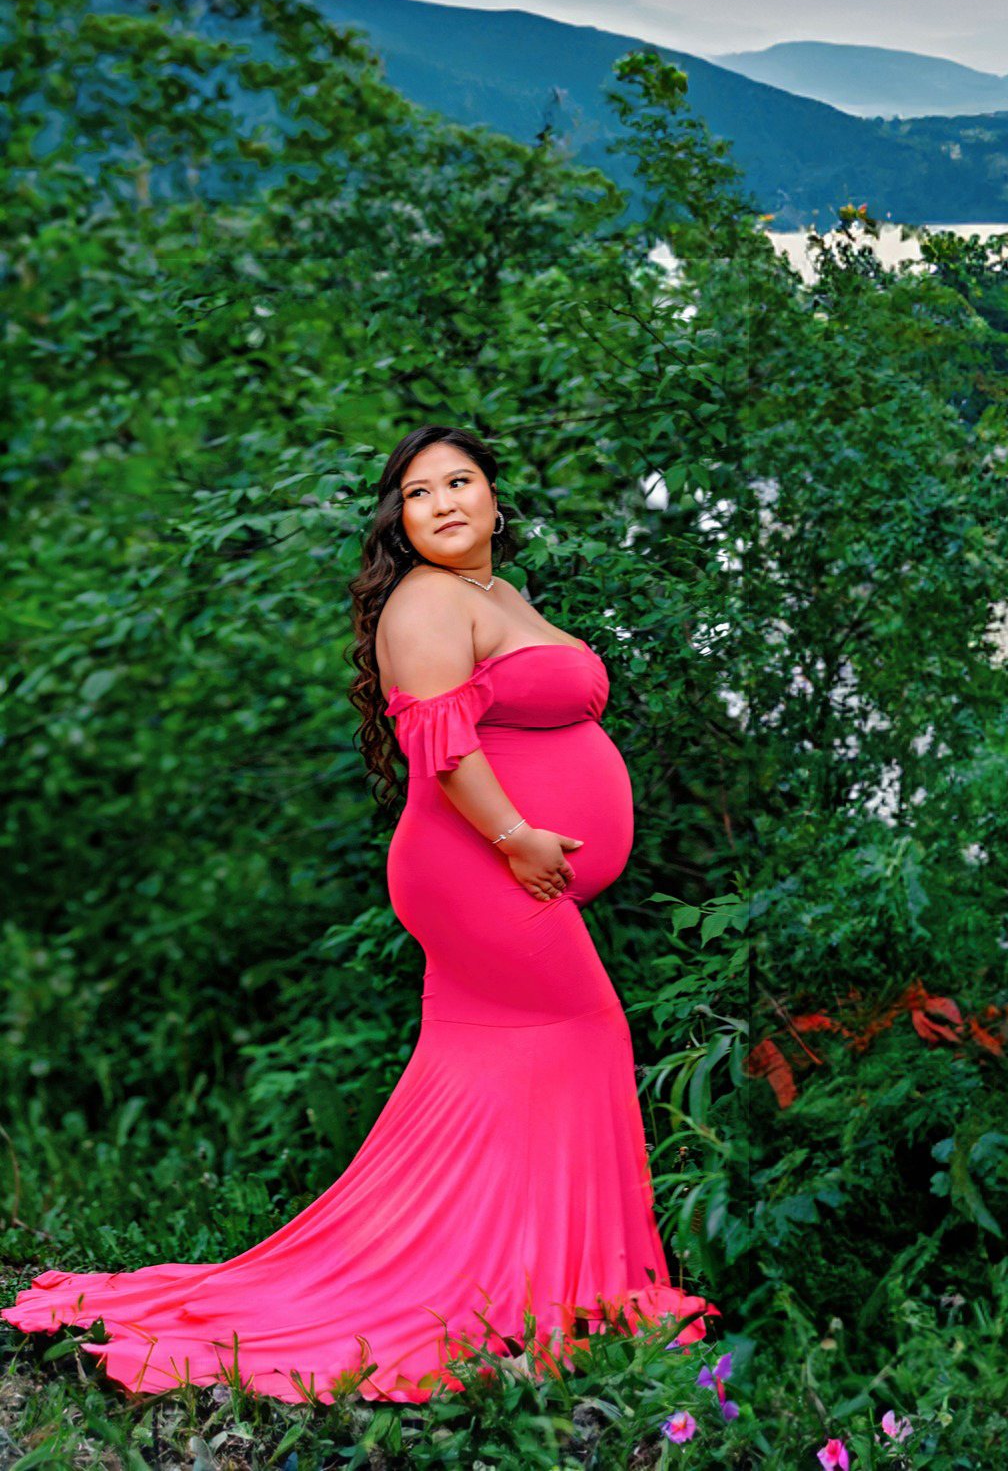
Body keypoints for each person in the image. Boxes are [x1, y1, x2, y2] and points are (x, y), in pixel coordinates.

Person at [3, 425, 712, 1401]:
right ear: (401, 520)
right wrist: (515, 837)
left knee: (480, 1067)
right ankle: (565, 1290)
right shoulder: (423, 601)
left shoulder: (497, 595)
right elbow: (442, 742)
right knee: (585, 1027)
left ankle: (509, 1285)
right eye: (420, 492)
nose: (445, 501)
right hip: (477, 864)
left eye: (461, 480)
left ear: (495, 498)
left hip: (498, 867)